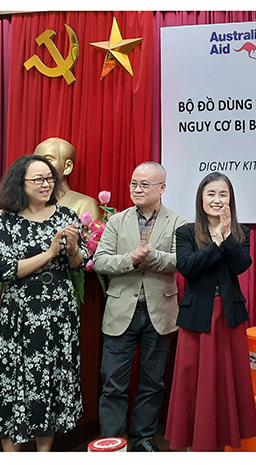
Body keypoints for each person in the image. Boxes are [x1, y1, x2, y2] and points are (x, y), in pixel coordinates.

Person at [0, 155, 88, 451]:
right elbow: (5, 269)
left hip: (58, 309)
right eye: (38, 179)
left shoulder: (66, 215)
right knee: (13, 379)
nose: (46, 185)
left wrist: (73, 249)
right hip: (19, 312)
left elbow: (79, 263)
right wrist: (48, 253)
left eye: (50, 179)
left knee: (52, 378)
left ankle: (43, 453)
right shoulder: (5, 221)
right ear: (20, 183)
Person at [92, 161, 186, 452]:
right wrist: (129, 260)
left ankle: (143, 438)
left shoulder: (178, 222)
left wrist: (153, 257)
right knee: (113, 383)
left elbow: (181, 261)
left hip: (159, 313)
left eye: (145, 184)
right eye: (134, 183)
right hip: (121, 313)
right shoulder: (116, 221)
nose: (137, 189)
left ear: (162, 188)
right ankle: (112, 442)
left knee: (152, 383)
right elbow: (99, 261)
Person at [164, 172, 256, 451]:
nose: (217, 200)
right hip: (198, 317)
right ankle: (195, 445)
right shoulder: (186, 232)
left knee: (227, 382)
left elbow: (241, 265)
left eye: (223, 194)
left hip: (229, 317)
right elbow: (188, 267)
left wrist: (226, 237)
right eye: (211, 194)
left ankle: (223, 442)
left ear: (231, 199)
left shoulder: (241, 233)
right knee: (195, 384)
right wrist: (216, 244)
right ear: (201, 199)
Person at [34, 137, 102, 220]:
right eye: (36, 160)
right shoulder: (27, 203)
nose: (39, 165)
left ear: (67, 167)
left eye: (48, 160)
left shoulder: (85, 205)